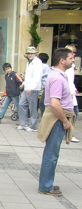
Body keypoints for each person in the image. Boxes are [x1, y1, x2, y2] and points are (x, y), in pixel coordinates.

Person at [37, 48, 76, 196]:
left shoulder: (60, 76)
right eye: (71, 58)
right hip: (57, 119)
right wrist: (65, 121)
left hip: (58, 118)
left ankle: (46, 183)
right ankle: (46, 186)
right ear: (62, 60)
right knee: (51, 154)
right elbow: (55, 103)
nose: (73, 60)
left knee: (52, 152)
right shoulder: (57, 78)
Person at [17, 46, 42, 132]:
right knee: (21, 104)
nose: (30, 55)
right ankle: (23, 123)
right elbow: (28, 75)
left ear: (35, 53)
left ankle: (34, 126)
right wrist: (24, 83)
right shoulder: (29, 62)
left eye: (32, 53)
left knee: (32, 107)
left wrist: (31, 87)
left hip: (33, 89)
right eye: (29, 53)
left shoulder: (37, 62)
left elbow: (37, 77)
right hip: (27, 87)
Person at [65, 45, 79, 143]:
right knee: (73, 114)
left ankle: (68, 133)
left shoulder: (70, 65)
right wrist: (72, 91)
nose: (74, 54)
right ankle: (70, 134)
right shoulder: (69, 66)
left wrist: (74, 89)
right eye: (73, 52)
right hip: (69, 93)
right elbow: (69, 80)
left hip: (71, 91)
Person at [38, 53, 51, 119]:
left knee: (42, 103)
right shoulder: (46, 66)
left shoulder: (42, 66)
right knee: (43, 102)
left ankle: (44, 117)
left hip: (47, 86)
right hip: (47, 86)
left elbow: (39, 76)